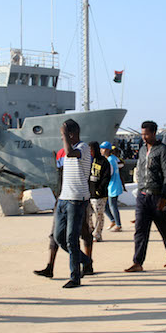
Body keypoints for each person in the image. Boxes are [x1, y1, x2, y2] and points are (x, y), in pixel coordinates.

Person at [125, 121, 166, 272]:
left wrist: (164, 197)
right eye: (142, 134)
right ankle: (138, 262)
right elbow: (140, 170)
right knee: (140, 230)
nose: (144, 137)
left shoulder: (163, 151)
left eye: (146, 134)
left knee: (164, 229)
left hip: (157, 196)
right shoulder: (142, 150)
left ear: (154, 133)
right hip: (142, 196)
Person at [33, 149, 95, 279]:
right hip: (62, 197)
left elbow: (85, 177)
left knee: (83, 232)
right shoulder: (62, 152)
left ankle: (87, 263)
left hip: (78, 199)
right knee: (55, 235)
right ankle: (50, 266)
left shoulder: (81, 152)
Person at [52, 119, 94, 288]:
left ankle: (75, 277)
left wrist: (64, 136)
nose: (61, 137)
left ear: (71, 134)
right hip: (64, 199)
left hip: (77, 200)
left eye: (64, 133)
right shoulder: (68, 150)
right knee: (59, 237)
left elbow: (70, 153)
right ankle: (86, 260)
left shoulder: (82, 148)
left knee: (72, 238)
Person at [87, 141, 111, 242]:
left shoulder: (104, 162)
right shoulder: (88, 161)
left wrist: (99, 190)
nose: (90, 152)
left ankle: (97, 234)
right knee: (88, 215)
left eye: (91, 150)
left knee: (99, 215)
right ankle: (90, 231)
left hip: (99, 195)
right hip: (88, 193)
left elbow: (106, 177)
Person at [102, 142, 123, 232]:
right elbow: (121, 164)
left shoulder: (109, 160)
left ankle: (118, 224)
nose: (101, 151)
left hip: (112, 185)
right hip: (114, 184)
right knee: (106, 205)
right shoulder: (114, 158)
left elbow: (109, 174)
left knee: (112, 205)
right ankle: (113, 220)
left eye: (102, 149)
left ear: (106, 150)